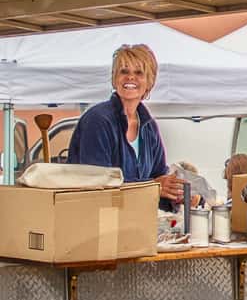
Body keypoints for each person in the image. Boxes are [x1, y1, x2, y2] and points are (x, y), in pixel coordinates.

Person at [68, 44, 184, 203]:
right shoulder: (98, 120)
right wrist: (153, 187)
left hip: (136, 220)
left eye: (139, 73)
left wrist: (177, 196)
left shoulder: (149, 127)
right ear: (115, 78)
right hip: (94, 220)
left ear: (149, 82)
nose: (130, 77)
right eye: (124, 71)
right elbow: (98, 183)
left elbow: (160, 178)